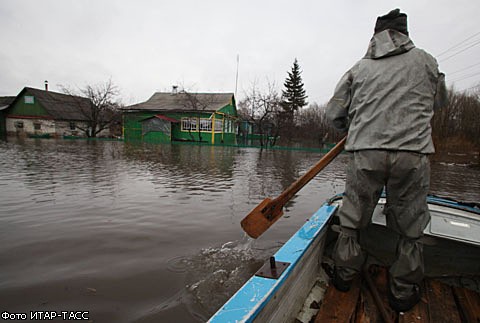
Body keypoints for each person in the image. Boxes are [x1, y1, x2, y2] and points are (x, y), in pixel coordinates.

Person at [325, 9, 448, 312]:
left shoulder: (358, 69)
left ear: (375, 36)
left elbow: (333, 115)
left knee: (352, 219)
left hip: (365, 152)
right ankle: (403, 292)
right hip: (413, 154)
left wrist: (352, 132)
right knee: (411, 225)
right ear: (405, 34)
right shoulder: (428, 62)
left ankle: (344, 276)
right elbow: (441, 103)